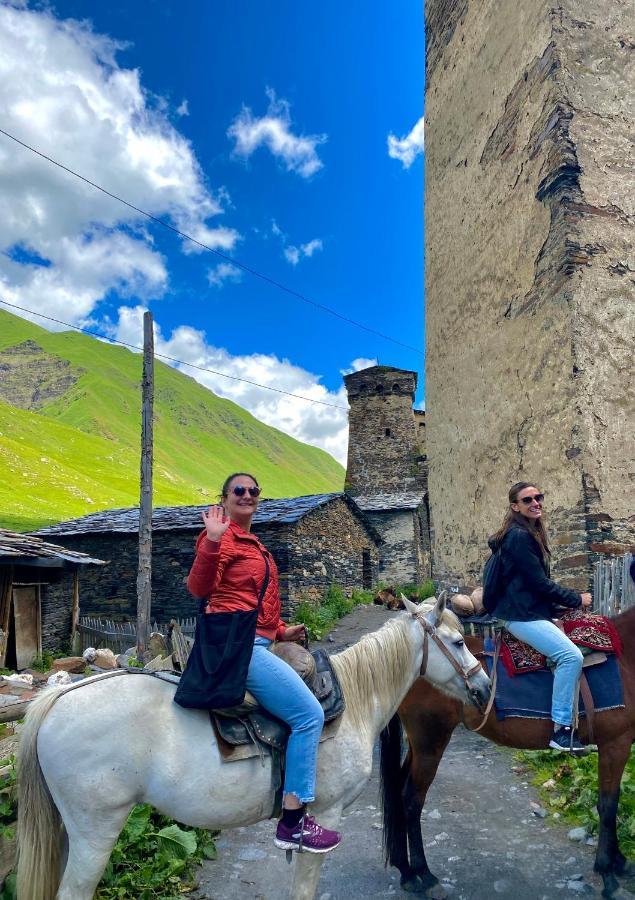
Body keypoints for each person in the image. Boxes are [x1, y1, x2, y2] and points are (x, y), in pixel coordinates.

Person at [187, 472, 341, 853]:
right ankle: (293, 821)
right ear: (222, 499)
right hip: (239, 649)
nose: (247, 494)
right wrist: (210, 540)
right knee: (309, 716)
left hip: (258, 640)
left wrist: (282, 631)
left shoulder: (253, 543)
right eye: (238, 490)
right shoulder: (221, 538)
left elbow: (252, 605)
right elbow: (200, 588)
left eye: (253, 490)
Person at [489, 481, 593, 753]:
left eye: (538, 497)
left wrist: (553, 614)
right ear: (515, 507)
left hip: (529, 611)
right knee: (571, 657)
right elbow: (538, 584)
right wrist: (576, 599)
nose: (536, 503)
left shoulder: (527, 533)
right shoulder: (519, 537)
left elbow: (529, 586)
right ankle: (561, 731)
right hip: (520, 616)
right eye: (527, 500)